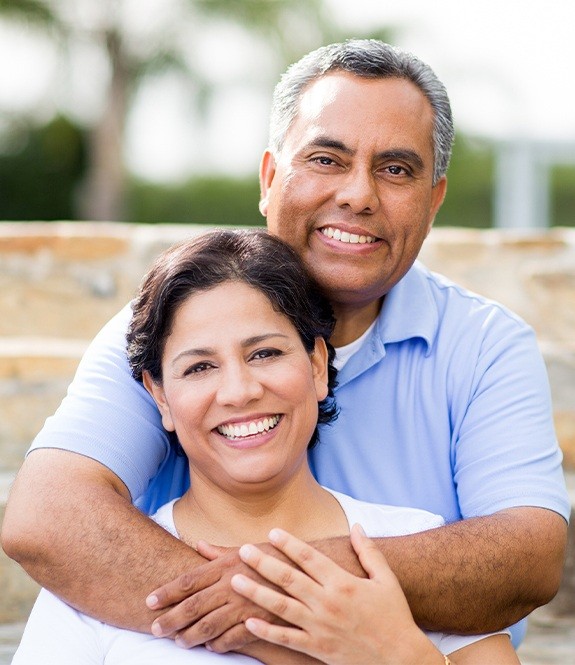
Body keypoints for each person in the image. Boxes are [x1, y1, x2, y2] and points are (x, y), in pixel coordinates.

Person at [2, 39, 569, 655]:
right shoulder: (172, 324)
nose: (358, 195)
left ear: (434, 201)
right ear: (270, 179)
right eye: (326, 159)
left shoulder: (485, 346)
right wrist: (287, 628)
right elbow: (48, 516)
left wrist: (282, 591)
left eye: (397, 169)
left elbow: (527, 557)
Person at [12, 229, 519, 664]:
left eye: (265, 353)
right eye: (200, 367)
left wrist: (399, 654)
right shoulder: (93, 581)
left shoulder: (414, 545)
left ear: (318, 365)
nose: (239, 391)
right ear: (159, 397)